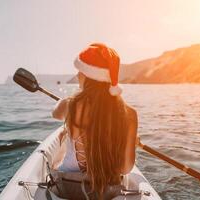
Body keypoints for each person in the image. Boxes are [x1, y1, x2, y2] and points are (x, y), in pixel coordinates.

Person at [51, 43, 138, 199]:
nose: (77, 75)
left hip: (69, 186)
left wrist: (65, 105)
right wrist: (132, 144)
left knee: (63, 138)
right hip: (108, 190)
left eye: (80, 71)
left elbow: (55, 114)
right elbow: (125, 169)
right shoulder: (130, 114)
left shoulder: (69, 105)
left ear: (89, 76)